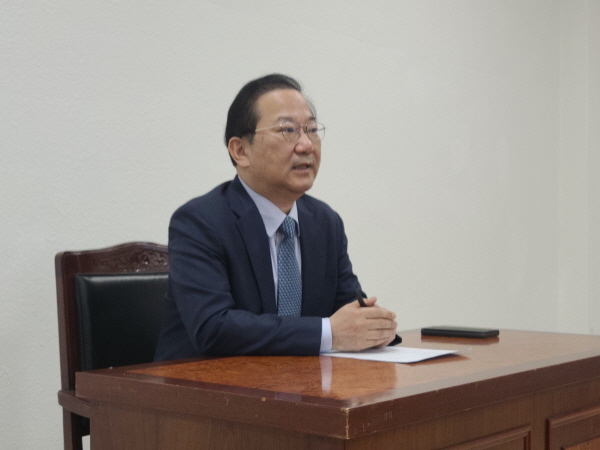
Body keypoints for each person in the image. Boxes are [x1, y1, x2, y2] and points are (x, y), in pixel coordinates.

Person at [154, 74, 398, 360]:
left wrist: (374, 329)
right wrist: (329, 333)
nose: (306, 145)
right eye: (287, 130)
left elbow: (348, 312)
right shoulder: (200, 222)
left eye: (311, 130)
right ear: (240, 151)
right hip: (203, 383)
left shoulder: (324, 222)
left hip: (299, 382)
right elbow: (214, 328)